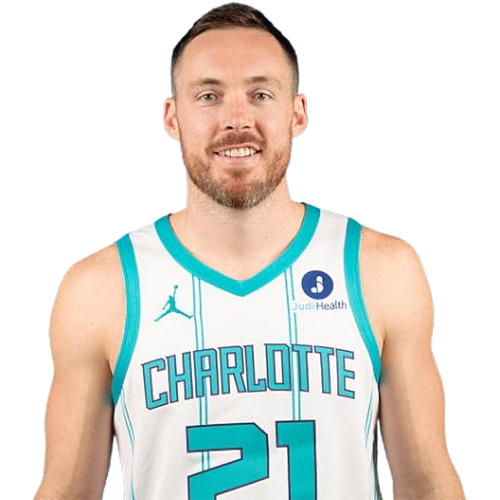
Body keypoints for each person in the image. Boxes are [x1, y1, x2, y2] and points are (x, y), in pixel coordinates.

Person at [35, 3, 465, 499]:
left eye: (260, 94)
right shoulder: (100, 290)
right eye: (209, 95)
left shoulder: (381, 271)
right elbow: (67, 492)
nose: (236, 120)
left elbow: (426, 485)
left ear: (297, 113)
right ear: (172, 118)